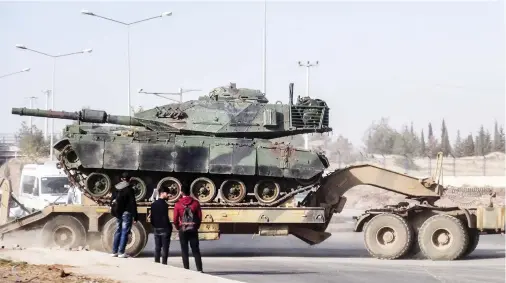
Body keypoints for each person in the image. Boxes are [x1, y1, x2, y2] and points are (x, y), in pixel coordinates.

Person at [173, 186, 203, 272]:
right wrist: (196, 226)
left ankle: (186, 270)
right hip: (193, 229)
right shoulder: (196, 203)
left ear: (182, 192)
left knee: (184, 250)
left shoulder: (178, 204)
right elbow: (199, 217)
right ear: (190, 192)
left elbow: (175, 219)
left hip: (183, 229)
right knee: (196, 250)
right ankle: (199, 269)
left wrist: (178, 227)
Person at [111, 172, 138, 258]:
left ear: (121, 179)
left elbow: (112, 200)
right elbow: (132, 203)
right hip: (126, 212)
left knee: (118, 230)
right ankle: (121, 252)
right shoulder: (129, 189)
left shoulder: (116, 188)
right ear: (129, 179)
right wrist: (135, 216)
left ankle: (114, 251)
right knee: (125, 232)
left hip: (118, 212)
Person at [150, 187, 172, 264]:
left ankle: (157, 263)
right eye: (167, 193)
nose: (168, 195)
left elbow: (151, 218)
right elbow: (165, 218)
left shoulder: (153, 204)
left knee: (157, 248)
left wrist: (154, 225)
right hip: (164, 228)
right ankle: (164, 264)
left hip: (156, 228)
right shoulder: (165, 205)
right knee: (165, 248)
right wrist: (169, 227)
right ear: (162, 193)